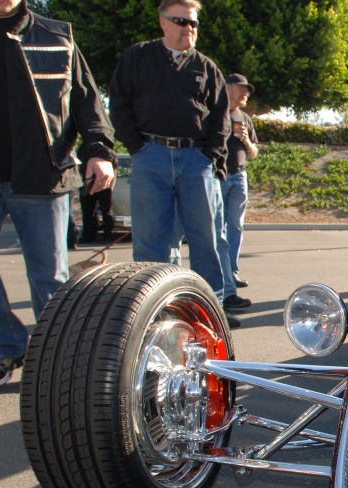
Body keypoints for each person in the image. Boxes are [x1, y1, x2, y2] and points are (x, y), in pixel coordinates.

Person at [0, 0, 116, 388]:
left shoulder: (56, 36)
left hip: (42, 175)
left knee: (50, 278)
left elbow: (87, 101)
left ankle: (58, 364)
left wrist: (100, 152)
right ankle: (7, 343)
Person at [109, 0, 243, 326]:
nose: (189, 29)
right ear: (163, 23)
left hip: (195, 159)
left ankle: (210, 315)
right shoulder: (137, 57)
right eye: (181, 21)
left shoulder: (207, 67)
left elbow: (220, 118)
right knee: (150, 242)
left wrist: (210, 156)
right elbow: (119, 103)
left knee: (206, 241)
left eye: (194, 23)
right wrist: (137, 147)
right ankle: (154, 313)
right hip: (150, 155)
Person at [220, 73, 258, 289]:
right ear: (227, 87)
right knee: (218, 230)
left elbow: (253, 153)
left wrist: (245, 141)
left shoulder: (245, 119)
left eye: (247, 89)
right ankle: (220, 275)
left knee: (235, 227)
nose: (245, 92)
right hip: (218, 177)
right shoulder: (216, 114)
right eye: (241, 87)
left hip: (239, 176)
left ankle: (232, 273)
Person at [78, 151, 115, 243]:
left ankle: (107, 235)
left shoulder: (107, 153)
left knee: (106, 210)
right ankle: (88, 235)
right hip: (87, 185)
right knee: (87, 211)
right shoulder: (83, 151)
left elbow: (113, 172)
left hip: (104, 185)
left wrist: (111, 188)